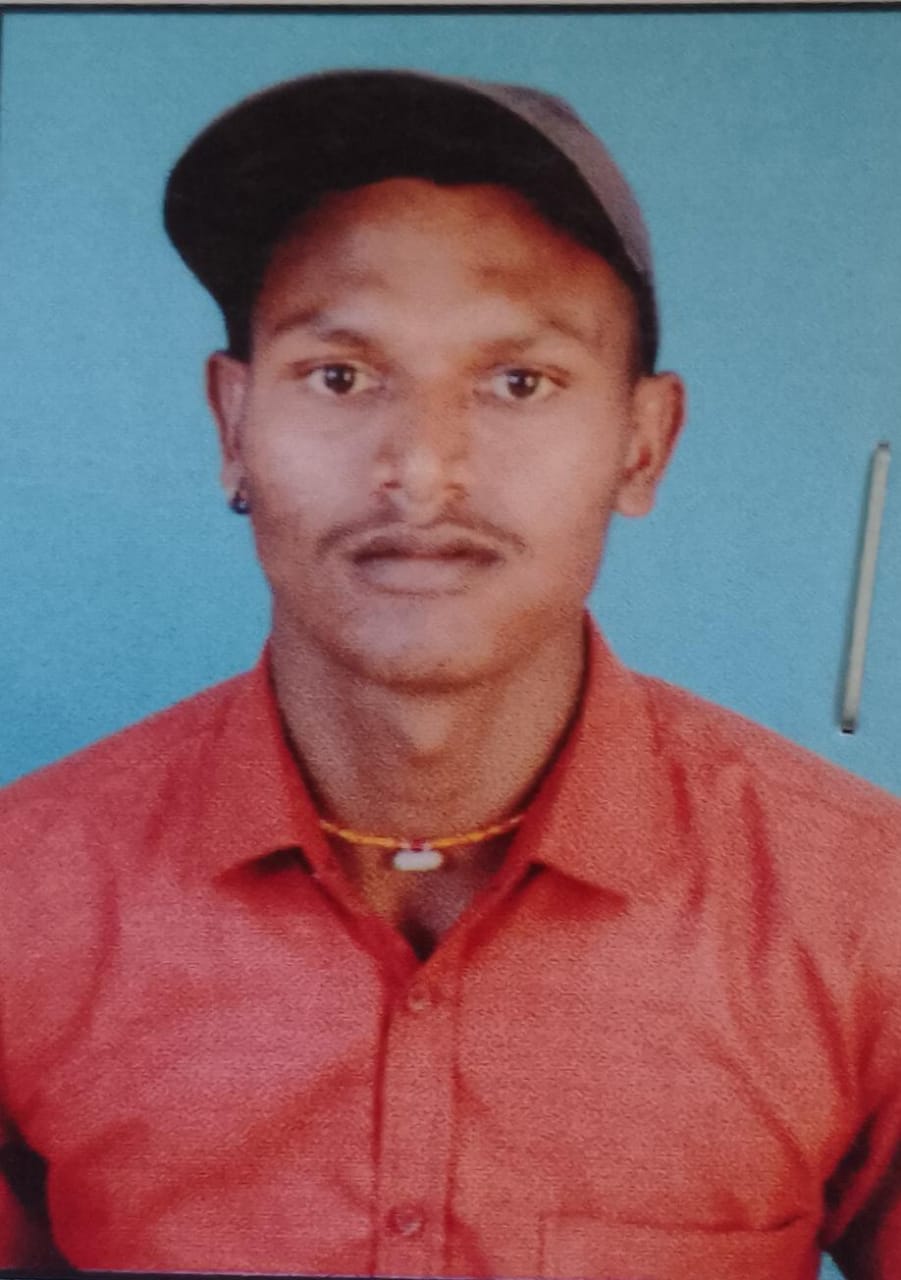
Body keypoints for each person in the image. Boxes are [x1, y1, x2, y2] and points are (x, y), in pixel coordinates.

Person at [0, 67, 898, 1280]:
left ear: (642, 445)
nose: (422, 471)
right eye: (341, 375)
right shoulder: (24, 894)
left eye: (518, 381)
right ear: (232, 425)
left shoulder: (861, 905)